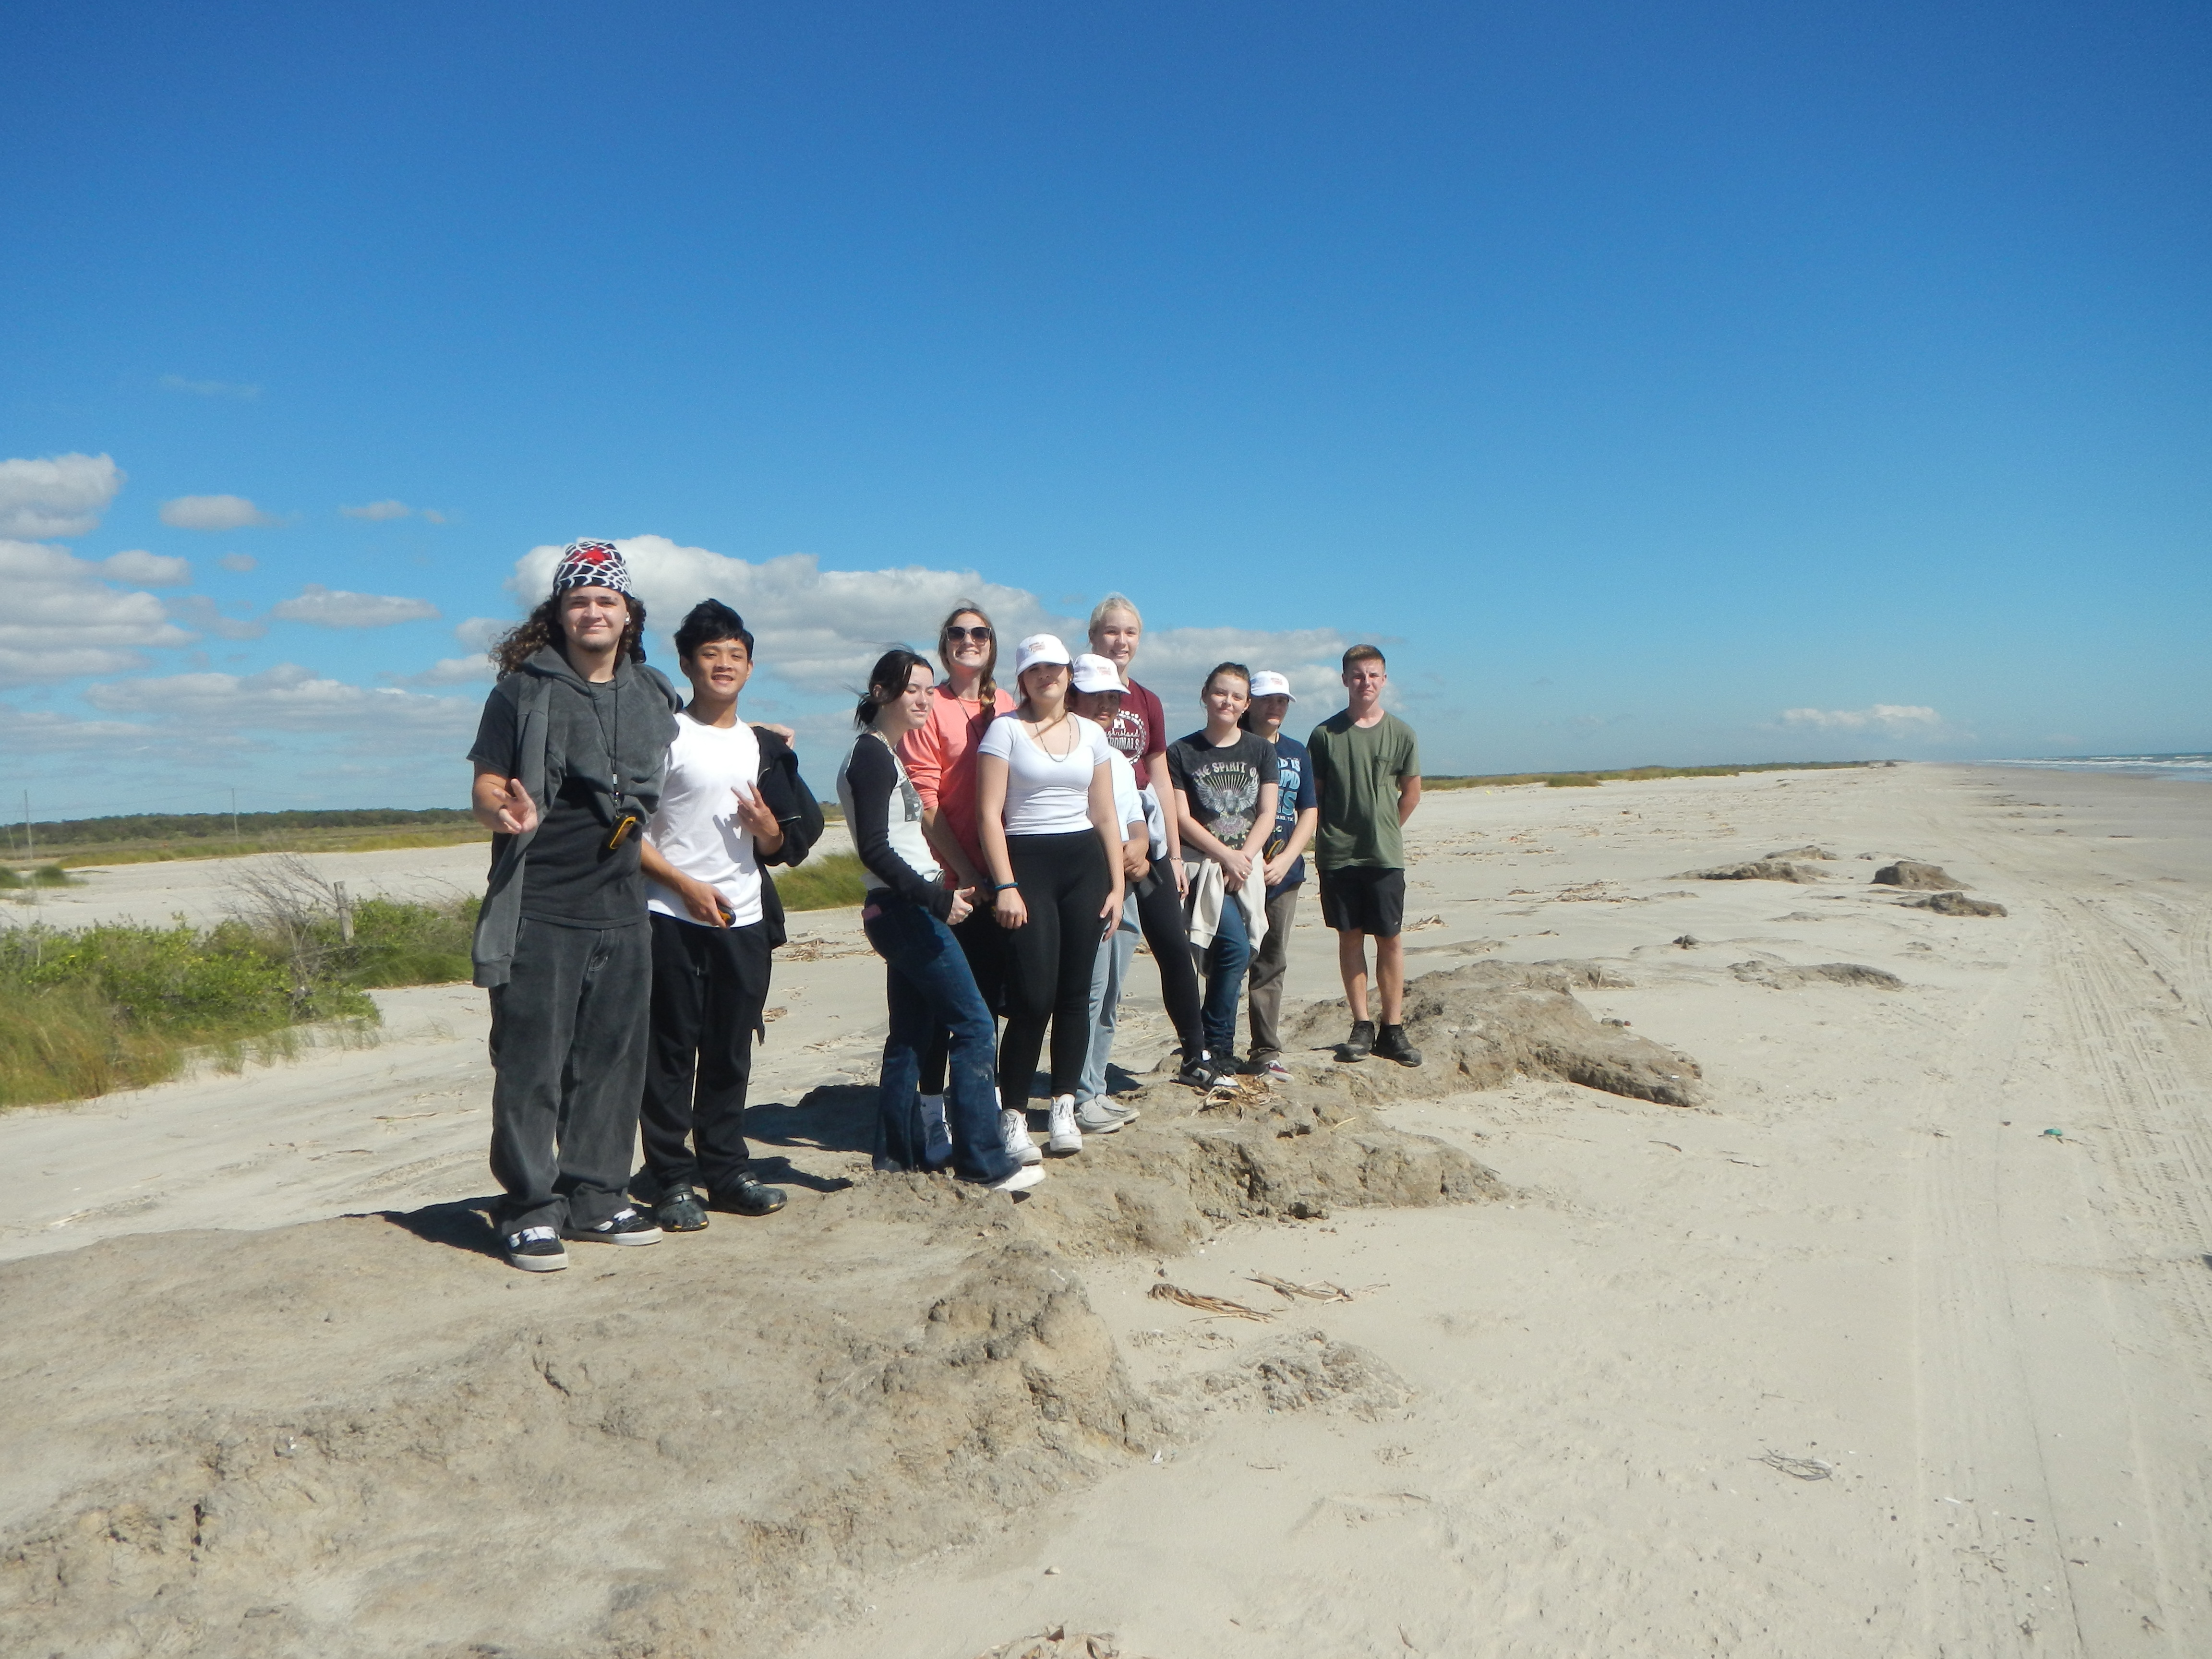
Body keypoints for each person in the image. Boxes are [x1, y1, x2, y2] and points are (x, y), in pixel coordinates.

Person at [468, 541, 680, 1272]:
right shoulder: (521, 692)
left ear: (628, 614)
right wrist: (503, 813)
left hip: (623, 907)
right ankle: (528, 1207)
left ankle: (596, 1195)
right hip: (541, 903)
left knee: (613, 1061)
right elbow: (486, 784)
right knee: (531, 1063)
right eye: (578, 601)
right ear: (557, 616)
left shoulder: (654, 693)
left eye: (606, 600)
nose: (593, 611)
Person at [631, 600, 822, 1234]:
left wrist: (769, 833)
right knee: (670, 1052)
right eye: (710, 654)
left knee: (729, 1051)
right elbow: (627, 832)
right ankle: (669, 1178)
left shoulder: (761, 746)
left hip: (741, 920)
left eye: (735, 655)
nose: (723, 664)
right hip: (670, 915)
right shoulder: (664, 735)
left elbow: (781, 847)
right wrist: (683, 886)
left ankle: (727, 1170)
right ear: (686, 662)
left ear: (750, 665)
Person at [839, 649, 1040, 1193]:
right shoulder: (871, 756)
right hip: (905, 912)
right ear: (880, 692)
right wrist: (935, 898)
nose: (925, 699)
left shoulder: (886, 753)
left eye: (930, 690)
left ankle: (894, 1161)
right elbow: (877, 851)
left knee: (909, 1036)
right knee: (974, 1024)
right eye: (912, 689)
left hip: (900, 910)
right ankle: (983, 1160)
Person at [975, 634, 1125, 1158]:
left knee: (1075, 995)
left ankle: (1063, 1105)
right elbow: (989, 815)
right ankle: (1013, 1112)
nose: (1048, 676)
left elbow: (1105, 813)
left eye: (1056, 667)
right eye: (1036, 669)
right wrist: (1006, 885)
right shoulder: (1005, 731)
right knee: (1033, 997)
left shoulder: (1090, 732)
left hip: (1084, 866)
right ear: (1023, 678)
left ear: (1069, 674)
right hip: (1028, 865)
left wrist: (1118, 884)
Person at [1086, 594, 1223, 1089]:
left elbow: (1162, 776)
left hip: (1147, 833)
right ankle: (1082, 1074)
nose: (1121, 641)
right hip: (1096, 834)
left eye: (1130, 633)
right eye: (1111, 632)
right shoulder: (1077, 692)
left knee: (1172, 943)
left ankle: (1196, 1051)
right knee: (1099, 960)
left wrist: (1175, 854)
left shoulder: (1146, 701)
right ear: (1094, 636)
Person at [898, 603, 1016, 1162]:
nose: (969, 641)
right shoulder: (931, 707)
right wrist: (965, 875)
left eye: (980, 633)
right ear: (944, 644)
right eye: (957, 633)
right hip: (945, 881)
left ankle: (978, 1110)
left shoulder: (1008, 705)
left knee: (985, 1005)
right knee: (936, 1011)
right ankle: (929, 1116)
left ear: (993, 643)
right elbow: (925, 802)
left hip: (998, 881)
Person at [1307, 644, 1423, 1066]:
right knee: (1349, 936)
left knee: (1390, 938)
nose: (1366, 682)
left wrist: (1386, 828)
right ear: (1344, 680)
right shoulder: (1324, 735)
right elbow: (1313, 797)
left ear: (1385, 680)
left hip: (1384, 854)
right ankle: (1361, 1025)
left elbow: (1410, 793)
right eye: (1358, 675)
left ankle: (1393, 1027)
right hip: (1338, 853)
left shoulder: (1403, 733)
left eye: (1374, 675)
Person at [1168, 663, 1278, 1073]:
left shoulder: (1260, 749)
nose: (1227, 702)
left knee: (1242, 950)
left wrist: (1244, 859)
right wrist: (1225, 857)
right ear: (1205, 695)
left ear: (1247, 703)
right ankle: (1215, 1044)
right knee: (1229, 948)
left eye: (1236, 696)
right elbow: (1181, 818)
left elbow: (1266, 812)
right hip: (1203, 869)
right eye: (1220, 693)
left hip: (1246, 867)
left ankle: (1210, 1046)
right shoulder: (1182, 752)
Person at [1067, 652, 1158, 1135]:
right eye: (1094, 694)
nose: (1106, 704)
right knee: (1088, 993)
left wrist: (1141, 847)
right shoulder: (1064, 750)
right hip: (1092, 888)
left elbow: (1134, 816)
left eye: (1113, 696)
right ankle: (1080, 1097)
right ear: (1072, 694)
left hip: (1126, 889)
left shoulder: (1117, 758)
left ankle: (1095, 1088)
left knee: (1111, 998)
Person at [1240, 670, 1319, 1080]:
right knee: (1228, 958)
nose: (1275, 707)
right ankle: (1212, 1046)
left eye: (1282, 701)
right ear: (1250, 701)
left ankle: (1265, 1049)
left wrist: (1289, 858)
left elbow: (1309, 810)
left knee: (1271, 961)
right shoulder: (1233, 743)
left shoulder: (1296, 751)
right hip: (1238, 870)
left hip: (1284, 872)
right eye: (1268, 699)